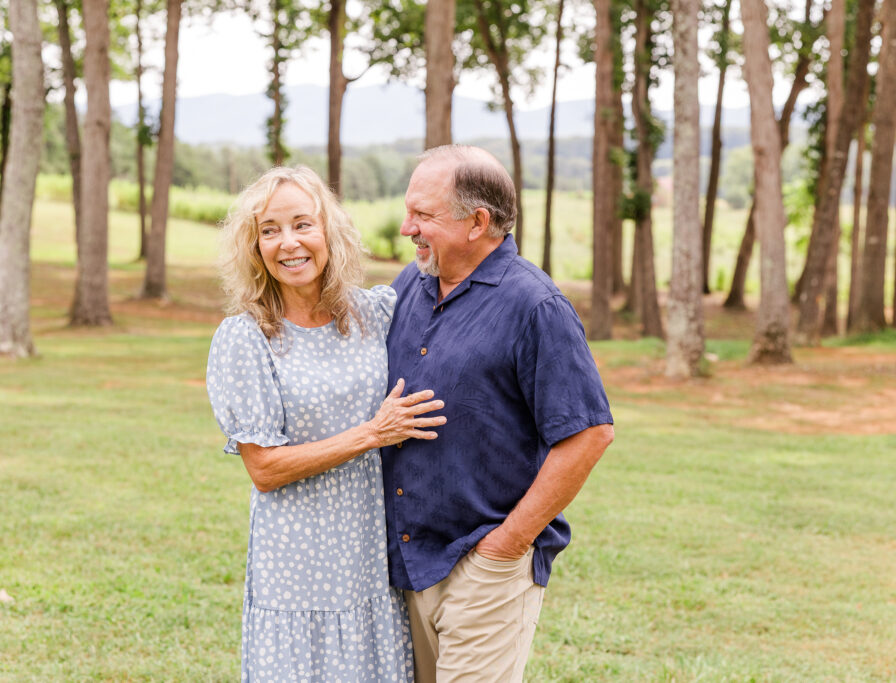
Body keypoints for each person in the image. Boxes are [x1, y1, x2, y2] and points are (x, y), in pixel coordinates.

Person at [382, 145, 615, 682]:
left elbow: (590, 434)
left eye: (423, 215)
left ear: (477, 222)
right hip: (406, 562)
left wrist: (506, 546)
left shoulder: (536, 306)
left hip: (485, 567)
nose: (406, 227)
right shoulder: (409, 286)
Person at [206, 165, 446, 682]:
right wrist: (372, 434)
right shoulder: (246, 339)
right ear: (254, 248)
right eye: (269, 230)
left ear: (329, 233)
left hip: (368, 558)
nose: (288, 243)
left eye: (302, 224)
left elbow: (447, 279)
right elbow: (265, 468)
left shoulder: (373, 313)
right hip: (296, 568)